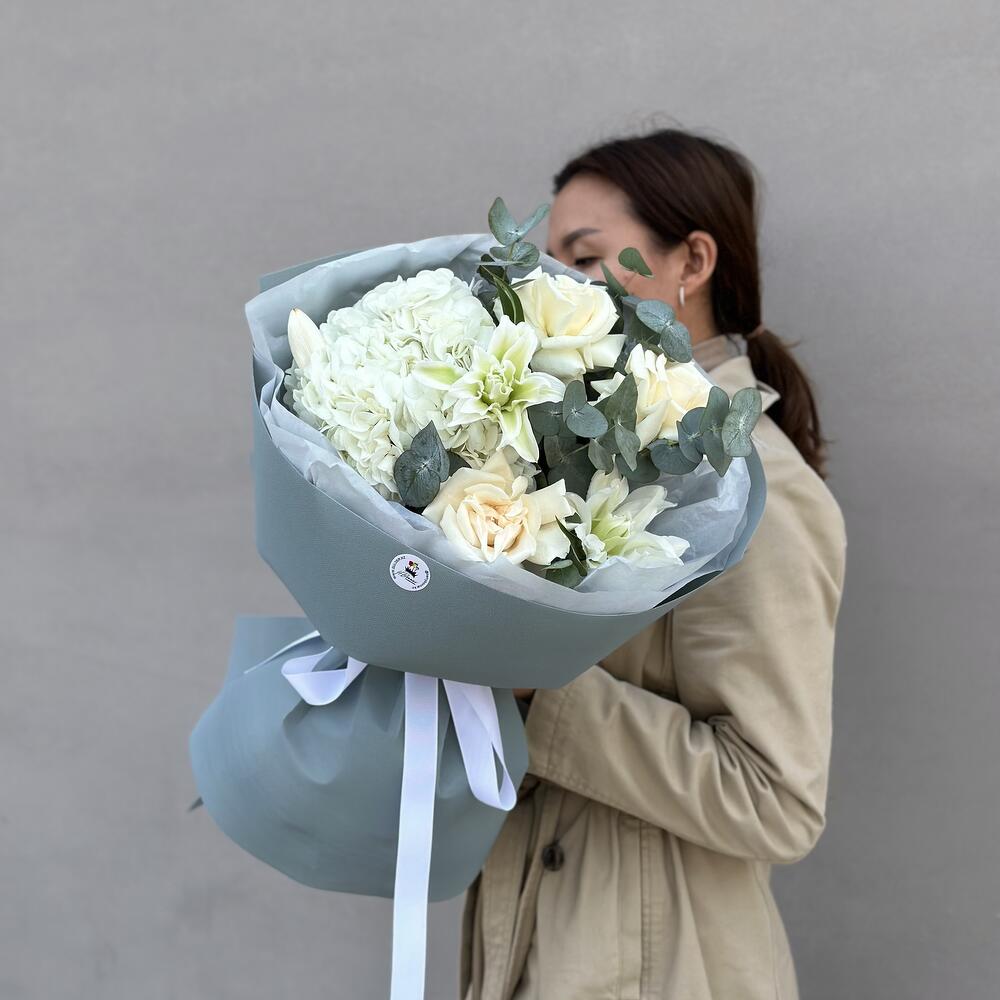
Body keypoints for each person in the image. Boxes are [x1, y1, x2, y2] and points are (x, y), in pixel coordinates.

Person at [459, 128, 848, 1000]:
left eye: (583, 257)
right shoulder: (576, 453)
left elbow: (777, 799)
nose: (553, 286)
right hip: (538, 936)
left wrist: (537, 693)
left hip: (657, 964)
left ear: (693, 261)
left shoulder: (757, 487)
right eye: (545, 261)